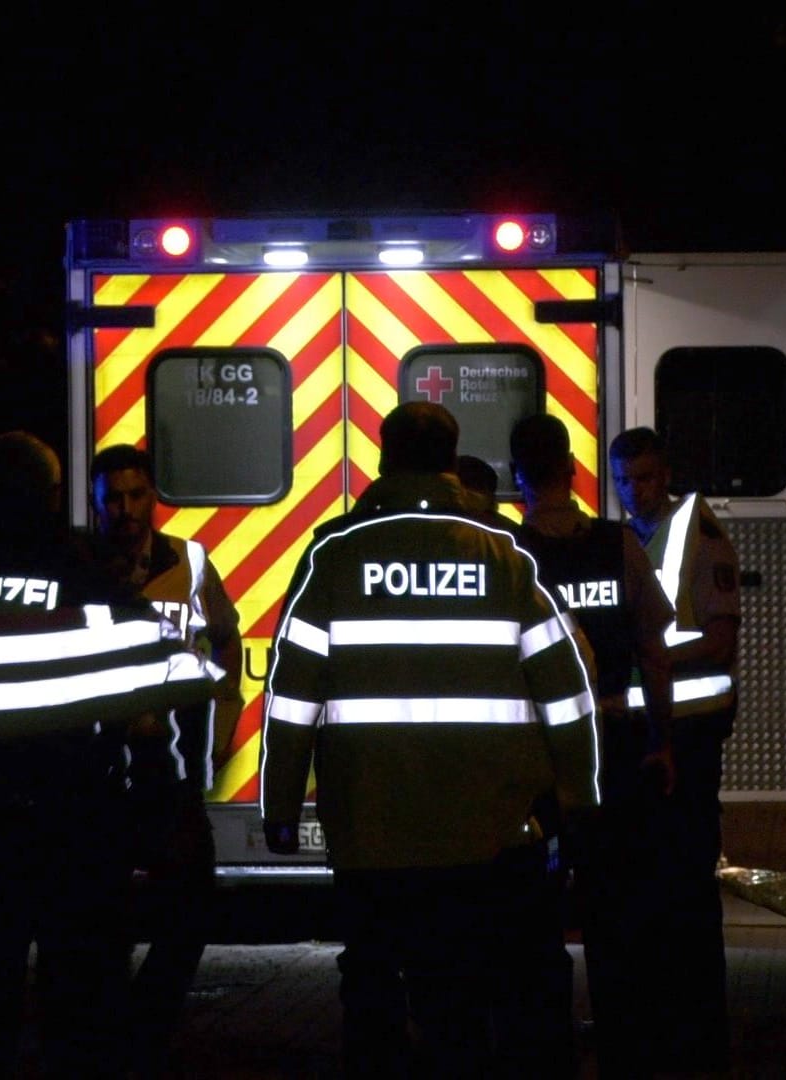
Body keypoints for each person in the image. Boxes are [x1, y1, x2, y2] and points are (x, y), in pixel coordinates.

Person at [261, 401, 599, 1077]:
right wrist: (578, 796)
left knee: (373, 988)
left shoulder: (334, 552)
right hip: (488, 833)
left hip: (370, 830)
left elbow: (291, 695)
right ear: (452, 461)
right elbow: (567, 690)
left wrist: (280, 805)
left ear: (383, 460)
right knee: (463, 996)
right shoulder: (502, 555)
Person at [0, 431, 221, 1080]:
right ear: (52, 495)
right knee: (78, 992)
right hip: (67, 813)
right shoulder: (81, 569)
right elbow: (175, 673)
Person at [511, 413, 676, 1076]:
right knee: (616, 911)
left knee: (535, 919)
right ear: (573, 470)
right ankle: (624, 1048)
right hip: (613, 749)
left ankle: (545, 1051)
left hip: (538, 759)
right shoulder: (619, 545)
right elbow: (653, 651)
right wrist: (662, 740)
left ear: (519, 479)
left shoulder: (508, 557)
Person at [87, 443, 243, 1076]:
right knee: (101, 919)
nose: (126, 510)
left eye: (136, 496)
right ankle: (110, 1036)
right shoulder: (78, 568)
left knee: (191, 907)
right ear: (97, 505)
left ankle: (146, 1024)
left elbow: (227, 637)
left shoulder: (190, 562)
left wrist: (225, 716)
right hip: (97, 775)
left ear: (153, 496)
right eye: (113, 500)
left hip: (169, 772)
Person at [610, 425, 741, 1074]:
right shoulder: (630, 538)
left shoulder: (700, 534)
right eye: (627, 481)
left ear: (669, 475)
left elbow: (718, 640)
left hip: (690, 738)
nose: (639, 491)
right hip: (648, 737)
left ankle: (699, 1031)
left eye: (650, 478)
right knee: (649, 890)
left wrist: (646, 656)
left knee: (687, 888)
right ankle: (663, 1022)